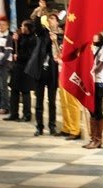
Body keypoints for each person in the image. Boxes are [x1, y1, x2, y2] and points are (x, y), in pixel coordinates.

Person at [28, 8, 61, 136]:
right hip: (41, 70)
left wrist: (55, 42)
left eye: (52, 18)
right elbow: (36, 25)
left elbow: (60, 54)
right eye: (49, 19)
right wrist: (39, 11)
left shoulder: (61, 36)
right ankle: (39, 126)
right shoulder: (43, 33)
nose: (50, 20)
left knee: (52, 102)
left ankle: (52, 126)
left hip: (53, 71)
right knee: (39, 100)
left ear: (57, 22)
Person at [5, 20, 35, 122]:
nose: (21, 27)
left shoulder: (32, 39)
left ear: (28, 27)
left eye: (23, 26)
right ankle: (14, 113)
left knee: (25, 92)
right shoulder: (20, 37)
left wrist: (20, 56)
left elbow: (30, 54)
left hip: (26, 68)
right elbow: (15, 49)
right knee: (14, 91)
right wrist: (14, 41)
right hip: (17, 68)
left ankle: (27, 115)